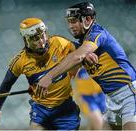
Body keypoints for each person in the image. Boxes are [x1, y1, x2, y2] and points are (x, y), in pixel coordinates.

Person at [36, 2, 136, 130]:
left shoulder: (97, 33)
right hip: (111, 98)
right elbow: (72, 70)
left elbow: (77, 56)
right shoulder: (83, 45)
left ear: (88, 19)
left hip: (129, 93)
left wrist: (49, 77)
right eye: (69, 22)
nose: (70, 26)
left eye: (74, 21)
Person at [0, 17, 98, 130]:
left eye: (43, 35)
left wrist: (86, 54)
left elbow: (82, 49)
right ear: (26, 40)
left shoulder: (58, 42)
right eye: (35, 39)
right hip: (41, 110)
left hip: (65, 109)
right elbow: (5, 87)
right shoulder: (20, 61)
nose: (41, 42)